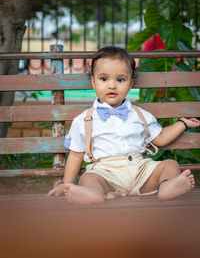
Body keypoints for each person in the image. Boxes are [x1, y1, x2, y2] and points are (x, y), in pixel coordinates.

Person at [48, 46, 199, 204]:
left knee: (170, 165)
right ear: (93, 82)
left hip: (140, 170)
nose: (112, 85)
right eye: (104, 79)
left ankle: (167, 187)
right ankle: (92, 194)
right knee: (88, 178)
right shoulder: (83, 120)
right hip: (105, 173)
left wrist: (183, 123)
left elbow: (160, 138)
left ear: (130, 83)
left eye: (120, 80)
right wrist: (66, 184)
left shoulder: (140, 115)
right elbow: (76, 154)